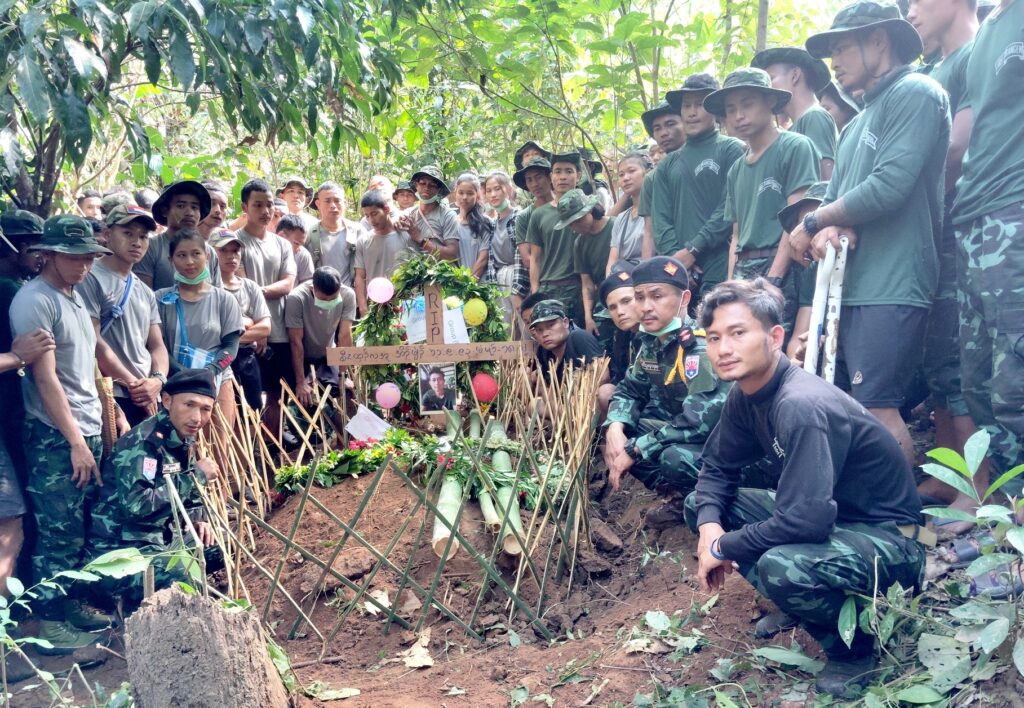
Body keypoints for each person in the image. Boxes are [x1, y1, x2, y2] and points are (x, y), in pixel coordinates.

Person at [687, 279, 929, 699]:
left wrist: (724, 547)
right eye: (714, 338)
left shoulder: (799, 403)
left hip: (892, 539)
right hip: (835, 520)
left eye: (739, 333)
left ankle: (854, 650)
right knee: (702, 505)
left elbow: (806, 520)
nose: (724, 348)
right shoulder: (746, 395)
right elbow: (717, 467)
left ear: (774, 336)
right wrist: (711, 527)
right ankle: (804, 603)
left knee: (783, 566)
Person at [792, 1, 949, 468]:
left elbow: (888, 187)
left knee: (880, 407)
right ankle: (866, 512)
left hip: (894, 280)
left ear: (878, 40)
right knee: (846, 405)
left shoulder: (917, 93)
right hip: (849, 285)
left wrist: (813, 223)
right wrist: (821, 228)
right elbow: (835, 203)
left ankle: (900, 525)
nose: (834, 63)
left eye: (841, 48)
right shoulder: (855, 122)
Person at [10, 216, 116, 652]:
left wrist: (106, 417)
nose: (85, 265)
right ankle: (50, 621)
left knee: (80, 524)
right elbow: (45, 380)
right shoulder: (34, 300)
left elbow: (86, 367)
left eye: (90, 257)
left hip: (85, 424)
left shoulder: (72, 296)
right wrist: (74, 440)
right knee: (58, 530)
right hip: (56, 434)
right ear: (47, 255)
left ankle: (69, 602)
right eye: (75, 257)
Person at [906, 0, 981, 520]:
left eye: (916, 2)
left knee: (963, 361)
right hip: (937, 236)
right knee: (938, 358)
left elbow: (957, 148)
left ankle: (978, 488)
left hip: (969, 232)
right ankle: (945, 469)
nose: (909, 13)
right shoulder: (934, 69)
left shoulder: (978, 55)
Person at [949, 0, 1024, 501]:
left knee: (1016, 378)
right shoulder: (986, 34)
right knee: (978, 379)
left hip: (1015, 208)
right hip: (972, 218)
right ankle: (1010, 509)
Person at [604, 257, 729, 521]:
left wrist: (636, 448)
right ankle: (673, 492)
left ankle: (711, 502)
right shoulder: (651, 343)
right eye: (639, 297)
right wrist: (615, 426)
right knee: (625, 432)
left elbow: (699, 424)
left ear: (684, 299)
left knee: (671, 458)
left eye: (657, 296)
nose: (646, 307)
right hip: (685, 433)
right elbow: (628, 389)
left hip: (724, 446)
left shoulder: (700, 349)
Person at [88, 369, 222, 611]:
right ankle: (126, 603)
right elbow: (137, 508)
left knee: (219, 546)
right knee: (184, 579)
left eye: (205, 409)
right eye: (189, 405)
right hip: (122, 553)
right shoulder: (144, 444)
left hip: (160, 540)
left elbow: (189, 499)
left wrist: (200, 520)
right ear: (167, 401)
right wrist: (196, 476)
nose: (196, 417)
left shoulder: (181, 436)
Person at [704, 68, 819, 288]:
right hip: (744, 268)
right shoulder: (736, 169)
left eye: (747, 104)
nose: (739, 116)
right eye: (731, 109)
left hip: (782, 264)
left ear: (771, 101)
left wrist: (774, 279)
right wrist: (730, 284)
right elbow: (736, 235)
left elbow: (796, 219)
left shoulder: (795, 147)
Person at [79, 206, 169, 427]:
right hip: (113, 393)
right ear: (108, 234)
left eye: (143, 236)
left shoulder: (144, 290)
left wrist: (157, 380)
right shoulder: (89, 278)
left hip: (148, 393)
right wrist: (134, 385)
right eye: (128, 233)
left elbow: (157, 345)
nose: (137, 242)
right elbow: (94, 341)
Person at [657, 74, 746, 295]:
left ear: (715, 111)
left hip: (720, 260)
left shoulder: (732, 149)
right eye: (687, 105)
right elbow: (660, 220)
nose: (692, 112)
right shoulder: (667, 164)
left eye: (700, 104)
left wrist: (694, 249)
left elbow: (729, 206)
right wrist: (678, 260)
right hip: (678, 269)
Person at [155, 229, 244, 429]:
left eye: (196, 254)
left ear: (208, 255)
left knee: (219, 445)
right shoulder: (160, 299)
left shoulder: (224, 299)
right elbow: (156, 344)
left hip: (217, 382)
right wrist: (183, 374)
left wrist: (210, 372)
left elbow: (231, 346)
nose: (189, 262)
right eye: (181, 255)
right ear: (171, 260)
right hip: (175, 384)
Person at [233, 179, 297, 429]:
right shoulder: (234, 242)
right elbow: (239, 285)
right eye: (258, 205)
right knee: (246, 396)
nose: (265, 211)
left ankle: (273, 448)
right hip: (248, 332)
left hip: (279, 329)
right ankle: (247, 450)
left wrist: (258, 291)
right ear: (245, 207)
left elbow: (288, 283)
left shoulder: (281, 243)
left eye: (269, 204)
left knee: (276, 393)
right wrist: (260, 326)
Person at [752, 47, 838, 179]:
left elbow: (824, 181)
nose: (766, 88)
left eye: (771, 78)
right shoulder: (795, 126)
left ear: (795, 75)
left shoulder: (814, 117)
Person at [212, 231, 271, 412]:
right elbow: (212, 330)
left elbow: (265, 328)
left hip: (246, 357)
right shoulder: (208, 288)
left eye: (236, 251)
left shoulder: (250, 286)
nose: (231, 256)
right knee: (224, 411)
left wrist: (230, 333)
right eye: (224, 251)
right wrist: (244, 322)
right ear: (211, 252)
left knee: (254, 409)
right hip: (217, 359)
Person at [284, 266, 356, 408]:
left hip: (329, 354)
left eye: (333, 298)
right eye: (324, 298)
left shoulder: (348, 295)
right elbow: (295, 341)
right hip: (302, 355)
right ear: (313, 288)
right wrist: (301, 382)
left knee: (346, 392)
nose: (329, 303)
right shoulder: (296, 298)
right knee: (305, 399)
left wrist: (343, 375)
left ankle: (341, 429)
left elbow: (345, 336)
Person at [527, 152, 585, 326]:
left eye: (569, 171)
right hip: (549, 288)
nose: (563, 177)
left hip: (579, 287)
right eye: (558, 172)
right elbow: (535, 259)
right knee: (550, 343)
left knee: (580, 340)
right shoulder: (539, 215)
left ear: (578, 176)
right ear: (551, 177)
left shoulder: (588, 210)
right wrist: (536, 293)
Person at [136, 180, 222, 290]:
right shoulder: (151, 247)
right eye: (181, 206)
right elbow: (144, 296)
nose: (189, 213)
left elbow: (218, 296)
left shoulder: (209, 252)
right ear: (164, 211)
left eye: (194, 207)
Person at [554, 189, 615, 340]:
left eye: (578, 220)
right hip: (601, 302)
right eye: (571, 224)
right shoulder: (579, 243)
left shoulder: (615, 226)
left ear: (591, 211)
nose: (575, 227)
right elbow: (587, 284)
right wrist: (589, 317)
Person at [637, 101, 686, 258]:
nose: (664, 133)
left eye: (670, 124)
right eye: (657, 128)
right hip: (671, 261)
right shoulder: (652, 179)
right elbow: (650, 232)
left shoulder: (706, 163)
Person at [354, 190, 415, 314]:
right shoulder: (363, 241)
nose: (371, 220)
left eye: (374, 213)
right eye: (367, 216)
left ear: (387, 209)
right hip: (376, 307)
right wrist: (363, 307)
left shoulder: (407, 236)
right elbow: (360, 276)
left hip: (406, 306)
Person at [482, 171, 529, 328]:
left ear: (508, 189)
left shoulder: (519, 217)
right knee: (506, 330)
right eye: (489, 191)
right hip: (499, 281)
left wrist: (518, 290)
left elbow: (522, 257)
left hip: (517, 278)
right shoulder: (493, 223)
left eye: (497, 189)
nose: (493, 194)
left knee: (526, 329)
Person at [595, 266, 641, 417]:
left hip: (660, 412)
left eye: (626, 301)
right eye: (613, 307)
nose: (620, 312)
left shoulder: (654, 334)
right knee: (605, 391)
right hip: (635, 401)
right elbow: (621, 379)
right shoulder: (622, 337)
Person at [529, 299, 605, 384]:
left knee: (605, 391)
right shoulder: (543, 350)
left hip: (586, 395)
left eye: (551, 325)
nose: (545, 334)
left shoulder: (579, 337)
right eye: (539, 329)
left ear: (565, 322)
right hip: (562, 395)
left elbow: (603, 375)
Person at [306, 181, 365, 286]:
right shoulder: (309, 234)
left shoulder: (357, 231)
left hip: (350, 297)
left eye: (337, 201)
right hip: (319, 298)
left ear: (345, 203)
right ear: (318, 204)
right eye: (327, 201)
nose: (333, 205)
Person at [396, 166, 460, 261]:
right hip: (410, 273)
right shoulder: (408, 214)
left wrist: (421, 240)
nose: (426, 188)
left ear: (439, 190)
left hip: (438, 274)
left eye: (432, 185)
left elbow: (452, 255)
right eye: (422, 183)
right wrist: (395, 224)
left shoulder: (447, 215)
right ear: (416, 185)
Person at [608, 152, 651, 269]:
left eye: (631, 171)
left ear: (646, 173)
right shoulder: (621, 218)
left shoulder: (657, 209)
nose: (626, 178)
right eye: (621, 175)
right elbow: (612, 259)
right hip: (623, 278)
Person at [512, 156, 555, 275]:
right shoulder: (524, 217)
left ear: (549, 177)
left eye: (539, 177)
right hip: (542, 279)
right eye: (529, 180)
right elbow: (527, 259)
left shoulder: (564, 207)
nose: (535, 184)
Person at [452, 172, 493, 279]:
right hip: (455, 284)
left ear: (477, 195)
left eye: (470, 193)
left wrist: (469, 283)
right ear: (455, 194)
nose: (465, 197)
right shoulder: (451, 223)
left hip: (479, 285)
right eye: (461, 193)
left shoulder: (485, 222)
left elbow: (483, 259)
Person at [277, 214, 315, 284]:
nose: (299, 249)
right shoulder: (264, 251)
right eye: (296, 243)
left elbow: (306, 285)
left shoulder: (303, 255)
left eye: (301, 244)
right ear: (281, 236)